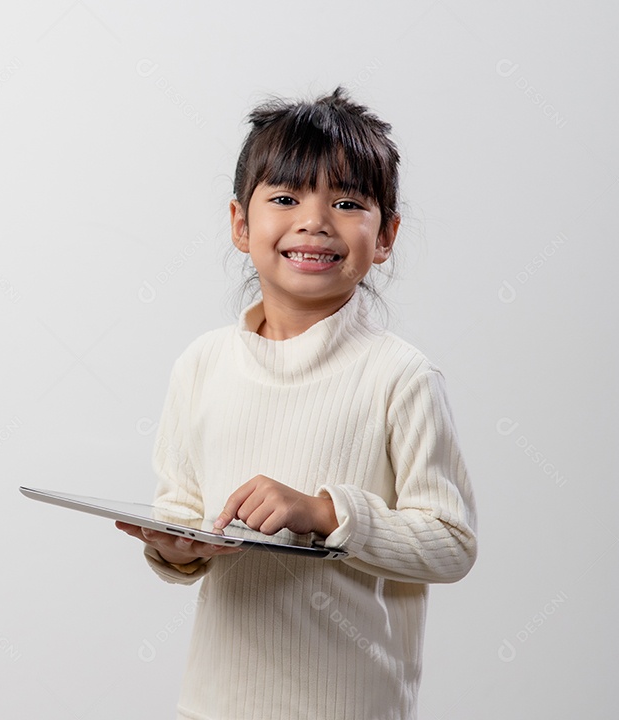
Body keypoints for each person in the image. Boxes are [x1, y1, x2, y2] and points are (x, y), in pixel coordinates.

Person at [116, 87, 478, 720]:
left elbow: (451, 543)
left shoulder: (402, 376)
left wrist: (323, 510)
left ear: (386, 235)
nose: (314, 221)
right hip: (213, 705)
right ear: (240, 224)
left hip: (351, 706)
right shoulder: (202, 364)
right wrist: (175, 546)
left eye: (346, 202)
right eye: (284, 198)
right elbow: (182, 508)